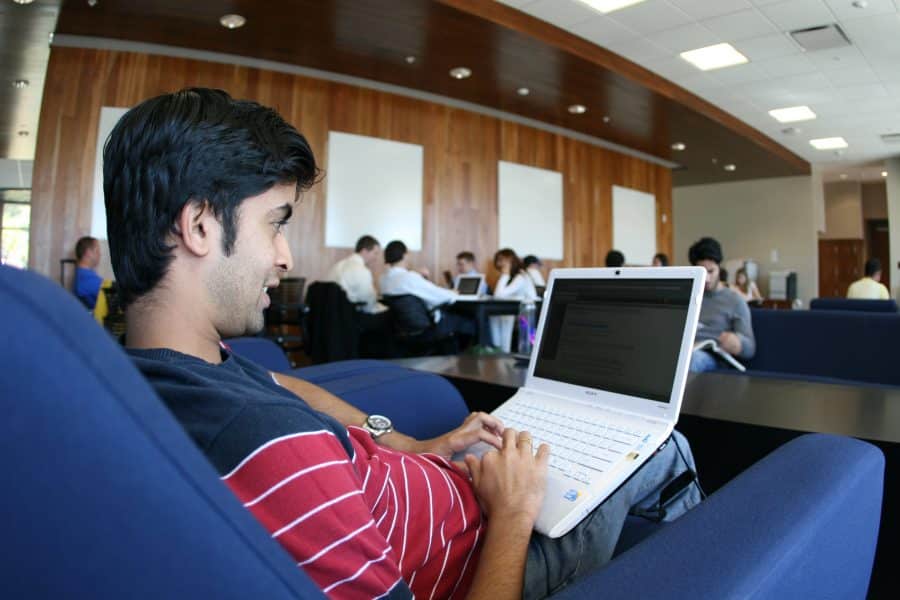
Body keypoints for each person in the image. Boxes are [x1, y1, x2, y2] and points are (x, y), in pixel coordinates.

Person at [104, 88, 700, 600]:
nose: (284, 256)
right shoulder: (268, 445)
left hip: (457, 493)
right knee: (663, 446)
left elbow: (286, 383)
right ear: (200, 225)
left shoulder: (173, 371)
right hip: (496, 550)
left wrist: (414, 445)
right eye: (276, 223)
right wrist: (515, 513)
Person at [379, 240, 475, 337]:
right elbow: (438, 296)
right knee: (470, 321)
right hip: (426, 327)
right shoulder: (410, 277)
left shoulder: (383, 279)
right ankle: (484, 350)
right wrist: (452, 293)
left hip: (402, 328)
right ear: (405, 255)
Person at [688, 237, 756, 373]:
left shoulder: (735, 301)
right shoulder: (689, 295)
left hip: (714, 357)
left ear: (719, 268)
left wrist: (737, 343)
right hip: (687, 350)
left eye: (711, 271)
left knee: (693, 359)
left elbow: (750, 348)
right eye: (701, 272)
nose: (706, 278)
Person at [490, 249, 539, 353]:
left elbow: (499, 295)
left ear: (511, 260)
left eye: (503, 260)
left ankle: (504, 351)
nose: (500, 264)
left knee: (505, 316)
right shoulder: (512, 276)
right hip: (518, 309)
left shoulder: (521, 276)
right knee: (493, 315)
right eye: (498, 260)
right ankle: (497, 348)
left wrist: (505, 275)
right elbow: (498, 296)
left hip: (529, 311)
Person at [327, 234, 387, 313]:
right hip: (350, 317)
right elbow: (369, 305)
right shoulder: (362, 271)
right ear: (364, 251)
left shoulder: (337, 265)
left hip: (332, 315)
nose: (376, 258)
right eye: (375, 253)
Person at [73, 236, 104, 310]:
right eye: (97, 251)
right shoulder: (85, 278)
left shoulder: (82, 275)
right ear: (88, 253)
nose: (100, 254)